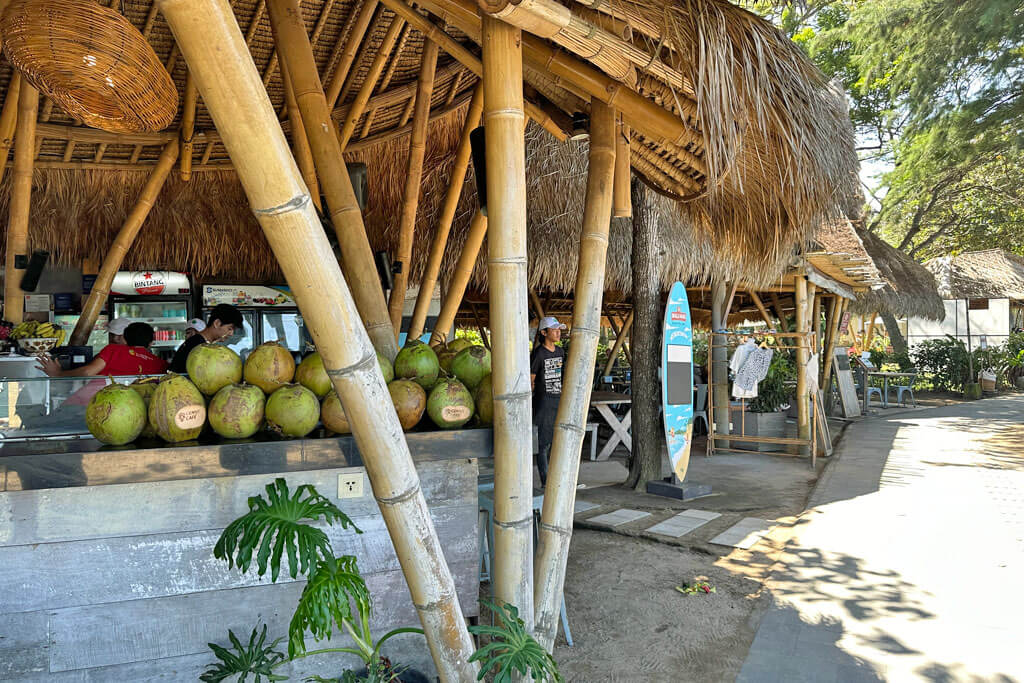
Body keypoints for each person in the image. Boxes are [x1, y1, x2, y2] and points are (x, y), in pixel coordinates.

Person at [38, 322, 168, 377]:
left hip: (101, 406)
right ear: (151, 342)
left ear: (126, 338)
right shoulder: (161, 364)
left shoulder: (113, 350)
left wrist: (58, 373)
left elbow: (87, 372)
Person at [530, 316, 566, 485]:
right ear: (544, 333)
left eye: (559, 330)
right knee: (543, 443)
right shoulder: (538, 354)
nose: (558, 333)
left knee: (555, 439)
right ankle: (546, 480)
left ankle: (556, 477)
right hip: (543, 401)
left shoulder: (560, 352)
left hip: (558, 399)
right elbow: (531, 379)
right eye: (554, 330)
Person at [170, 303, 243, 373]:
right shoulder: (197, 345)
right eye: (229, 329)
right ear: (217, 323)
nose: (231, 334)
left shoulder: (200, 342)